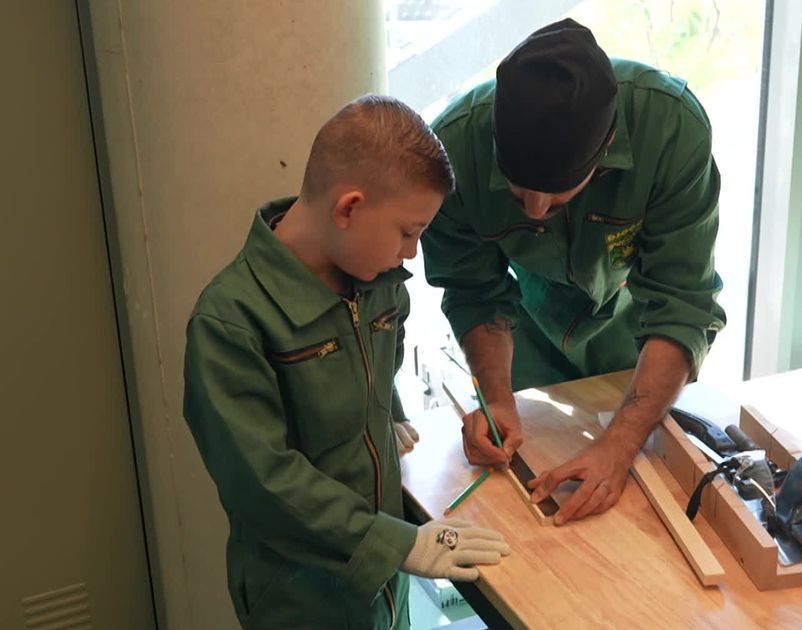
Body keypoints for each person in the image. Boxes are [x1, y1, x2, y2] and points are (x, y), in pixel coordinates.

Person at [183, 94, 510, 629]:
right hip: (302, 599)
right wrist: (395, 543)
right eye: (409, 233)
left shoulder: (378, 285)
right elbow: (262, 483)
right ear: (349, 208)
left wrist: (389, 414)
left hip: (384, 587)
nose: (411, 255)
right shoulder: (231, 323)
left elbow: (376, 362)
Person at [422, 19, 726, 524]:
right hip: (527, 334)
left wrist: (621, 443)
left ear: (606, 149)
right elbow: (474, 290)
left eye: (558, 194)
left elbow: (682, 304)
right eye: (518, 195)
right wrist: (496, 398)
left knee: (635, 516)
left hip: (636, 336)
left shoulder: (672, 128)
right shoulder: (452, 152)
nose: (537, 211)